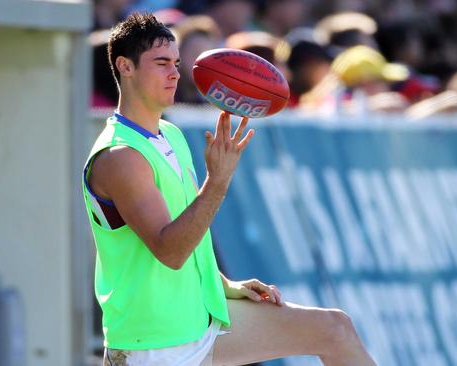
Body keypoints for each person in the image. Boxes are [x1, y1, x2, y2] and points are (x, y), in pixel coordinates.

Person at [83, 12, 377, 365]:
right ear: (125, 67)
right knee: (332, 328)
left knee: (334, 328)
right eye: (161, 63)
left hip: (195, 322)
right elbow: (171, 251)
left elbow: (188, 241)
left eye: (176, 62)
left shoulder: (170, 134)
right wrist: (217, 182)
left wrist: (225, 285)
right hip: (153, 346)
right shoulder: (121, 156)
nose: (175, 72)